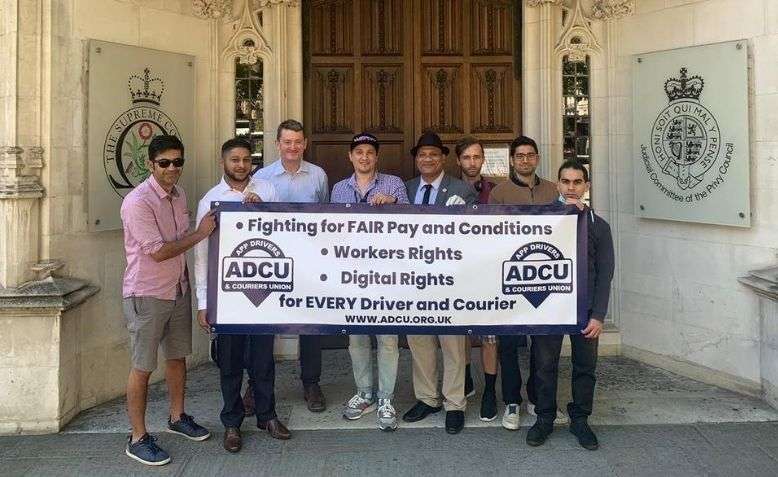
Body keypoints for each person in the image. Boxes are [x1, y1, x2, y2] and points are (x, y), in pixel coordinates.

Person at [120, 135, 213, 466]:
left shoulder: (179, 195)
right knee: (143, 366)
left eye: (178, 162)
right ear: (150, 163)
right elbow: (158, 251)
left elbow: (177, 240)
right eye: (164, 163)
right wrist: (201, 233)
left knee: (177, 358)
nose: (172, 168)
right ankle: (138, 437)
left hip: (177, 289)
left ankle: (177, 417)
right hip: (147, 293)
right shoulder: (137, 202)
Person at [194, 138, 290, 453]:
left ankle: (267, 415)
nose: (241, 165)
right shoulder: (211, 199)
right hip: (227, 295)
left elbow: (287, 233)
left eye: (246, 159)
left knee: (264, 360)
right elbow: (202, 254)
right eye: (234, 159)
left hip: (263, 288)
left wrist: (261, 209)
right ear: (223, 162)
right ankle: (232, 423)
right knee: (230, 362)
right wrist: (204, 303)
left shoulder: (268, 190)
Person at [526, 160, 614, 450]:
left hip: (586, 310)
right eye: (566, 182)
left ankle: (580, 419)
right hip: (549, 308)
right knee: (544, 365)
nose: (572, 187)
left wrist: (599, 315)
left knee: (585, 367)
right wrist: (563, 216)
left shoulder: (599, 227)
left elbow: (605, 274)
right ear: (558, 185)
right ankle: (544, 418)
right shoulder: (540, 219)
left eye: (578, 182)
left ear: (586, 186)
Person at [331, 132, 410, 431]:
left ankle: (386, 397)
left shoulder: (394, 184)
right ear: (350, 156)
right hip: (352, 273)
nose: (364, 157)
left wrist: (392, 204)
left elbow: (413, 225)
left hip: (387, 273)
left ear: (377, 157)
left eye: (370, 152)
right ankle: (364, 393)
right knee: (357, 337)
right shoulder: (338, 189)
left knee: (388, 339)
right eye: (359, 152)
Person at [402, 131, 476, 435]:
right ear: (416, 159)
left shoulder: (462, 190)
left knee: (453, 344)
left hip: (450, 280)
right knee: (420, 342)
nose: (428, 159)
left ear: (443, 158)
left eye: (433, 154)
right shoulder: (405, 190)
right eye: (422, 154)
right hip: (413, 279)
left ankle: (455, 403)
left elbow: (471, 231)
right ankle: (428, 398)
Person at [488, 135, 563, 431]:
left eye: (530, 155)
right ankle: (511, 401)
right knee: (508, 345)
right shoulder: (499, 192)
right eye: (519, 156)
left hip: (545, 280)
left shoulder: (553, 191)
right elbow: (489, 237)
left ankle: (537, 397)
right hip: (509, 279)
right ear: (512, 160)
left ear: (537, 158)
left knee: (541, 345)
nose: (525, 160)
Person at [254, 119, 329, 412]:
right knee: (264, 324)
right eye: (287, 142)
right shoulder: (263, 176)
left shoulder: (318, 176)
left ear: (305, 144)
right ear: (277, 144)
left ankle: (311, 382)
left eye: (298, 142)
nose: (293, 147)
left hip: (309, 263)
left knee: (311, 323)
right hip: (271, 261)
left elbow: (324, 213)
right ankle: (256, 385)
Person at [454, 136, 499, 422]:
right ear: (458, 160)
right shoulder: (447, 189)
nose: (472, 162)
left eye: (476, 157)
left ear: (483, 160)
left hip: (488, 273)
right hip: (456, 274)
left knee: (489, 336)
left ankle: (490, 392)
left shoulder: (495, 191)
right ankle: (466, 380)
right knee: (462, 334)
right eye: (466, 157)